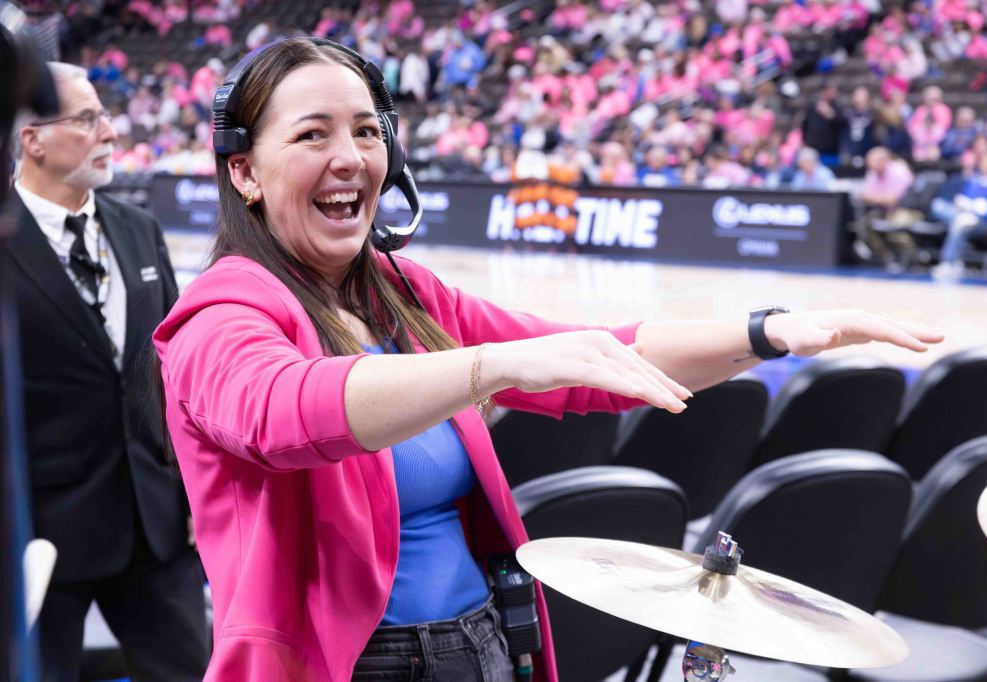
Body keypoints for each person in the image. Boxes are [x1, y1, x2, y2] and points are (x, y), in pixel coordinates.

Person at [152, 38, 943, 681]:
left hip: (486, 643)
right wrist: (490, 367)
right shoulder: (220, 314)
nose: (352, 155)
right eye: (312, 134)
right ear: (244, 172)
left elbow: (596, 357)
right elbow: (286, 409)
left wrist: (768, 331)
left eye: (366, 130)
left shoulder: (401, 292)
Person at [2, 63, 208, 680]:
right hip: (42, 537)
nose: (110, 133)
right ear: (33, 139)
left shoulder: (138, 228)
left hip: (154, 525)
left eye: (107, 116)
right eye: (88, 119)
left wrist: (192, 488)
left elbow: (176, 371)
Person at [930, 150, 987, 280]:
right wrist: (964, 204)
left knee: (961, 224)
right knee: (939, 205)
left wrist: (983, 212)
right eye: (983, 161)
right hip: (966, 214)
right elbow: (966, 197)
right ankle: (955, 259)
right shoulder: (974, 181)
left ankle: (949, 262)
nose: (985, 165)